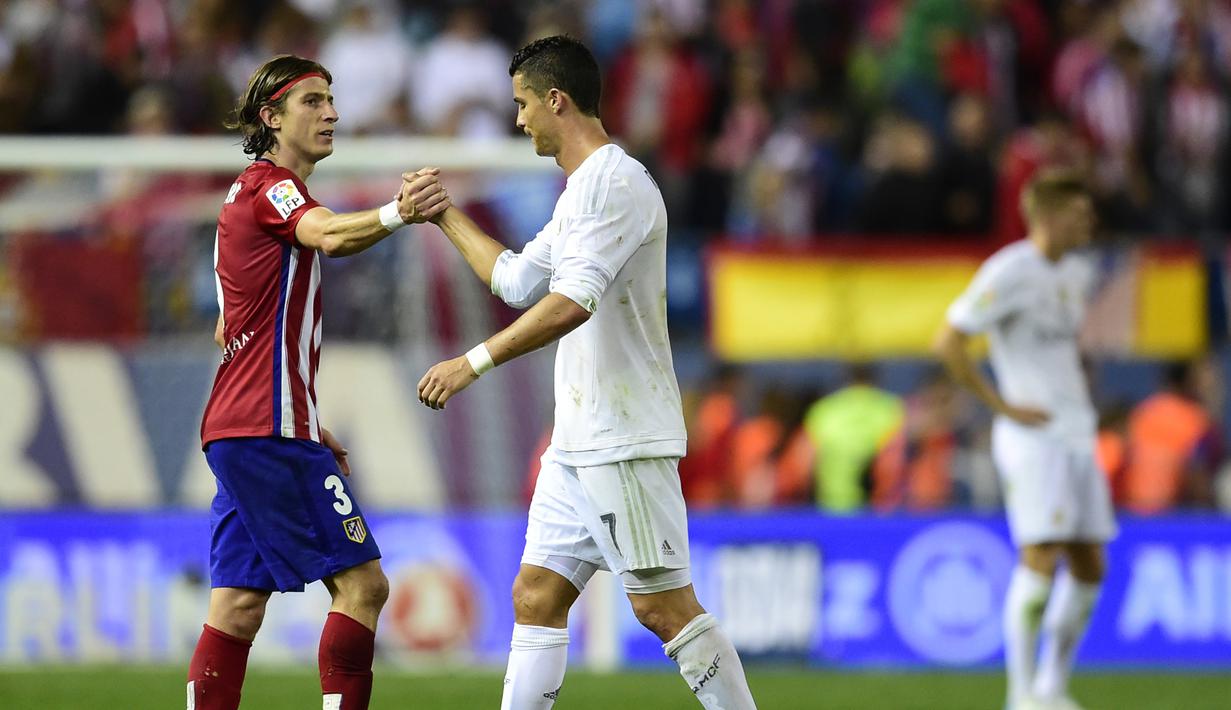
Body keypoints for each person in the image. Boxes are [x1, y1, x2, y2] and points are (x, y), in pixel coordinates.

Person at [414, 35, 757, 710]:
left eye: (521, 105)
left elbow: (572, 302)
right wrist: (445, 215)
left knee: (663, 608)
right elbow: (516, 280)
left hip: (622, 435)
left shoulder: (615, 184)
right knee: (535, 594)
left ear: (555, 100)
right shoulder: (579, 195)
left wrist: (471, 363)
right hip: (578, 440)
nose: (517, 121)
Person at [189, 54, 449, 710]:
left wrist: (302, 416)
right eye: (312, 102)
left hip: (247, 425)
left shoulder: (243, 198)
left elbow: (229, 331)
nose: (331, 112)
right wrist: (398, 212)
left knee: (238, 605)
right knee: (363, 586)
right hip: (265, 428)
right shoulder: (272, 188)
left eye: (332, 99)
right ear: (271, 118)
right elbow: (329, 235)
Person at [935, 170, 1116, 710]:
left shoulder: (1076, 273)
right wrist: (1003, 406)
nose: (1089, 222)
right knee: (1039, 554)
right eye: (1080, 213)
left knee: (1089, 563)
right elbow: (948, 341)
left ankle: (1052, 686)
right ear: (1050, 216)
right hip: (1034, 437)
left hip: (1076, 433)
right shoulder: (1011, 270)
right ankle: (1021, 696)